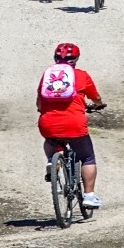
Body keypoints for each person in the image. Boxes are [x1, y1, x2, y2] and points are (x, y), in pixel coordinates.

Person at [37, 41, 104, 209]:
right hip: (74, 124)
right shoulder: (81, 76)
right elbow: (95, 97)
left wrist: (43, 109)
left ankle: (52, 161)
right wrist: (98, 104)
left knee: (51, 140)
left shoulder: (47, 75)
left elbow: (39, 101)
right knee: (87, 157)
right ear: (76, 59)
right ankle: (89, 196)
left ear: (55, 58)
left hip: (48, 123)